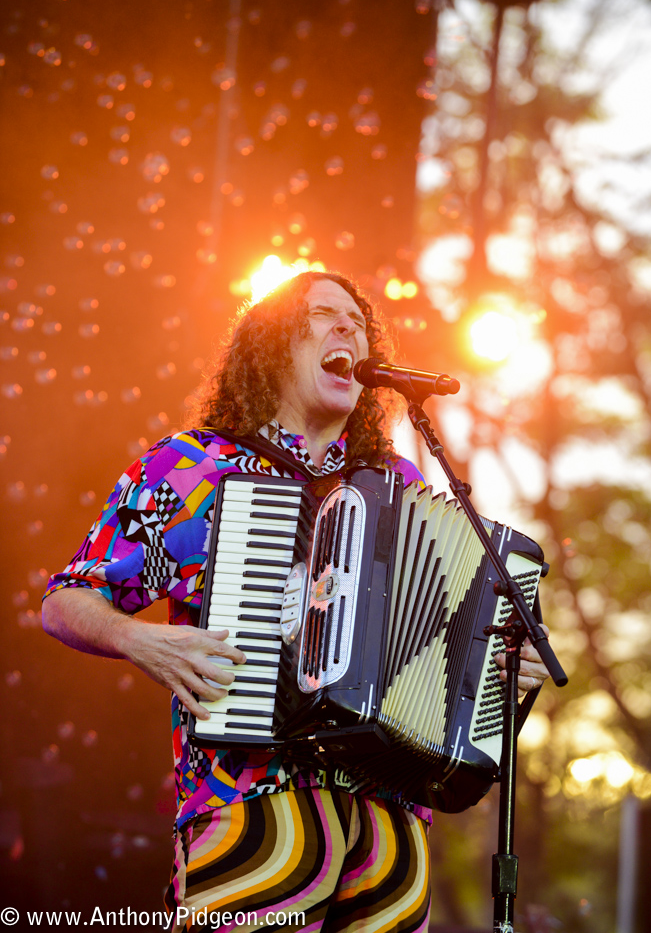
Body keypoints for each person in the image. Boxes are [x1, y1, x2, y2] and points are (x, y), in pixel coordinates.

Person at [42, 271, 550, 932]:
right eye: (322, 315)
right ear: (273, 344)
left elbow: (444, 643)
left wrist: (501, 669)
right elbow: (67, 599)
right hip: (252, 798)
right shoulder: (195, 467)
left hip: (389, 819)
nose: (347, 327)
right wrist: (139, 640)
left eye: (356, 320)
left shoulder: (395, 485)